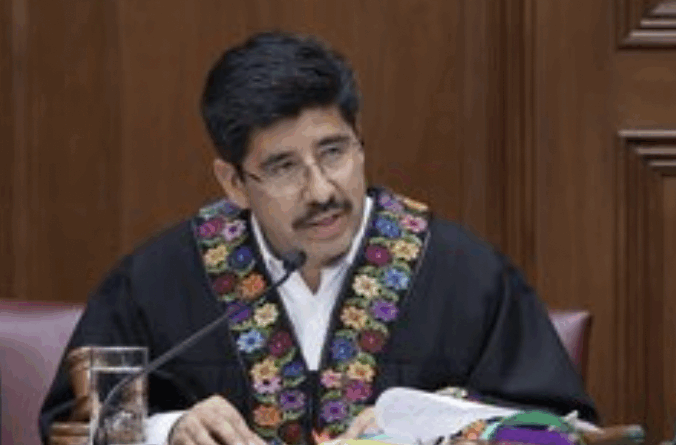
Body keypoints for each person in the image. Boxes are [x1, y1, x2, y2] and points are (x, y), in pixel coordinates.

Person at [39, 31, 597, 445]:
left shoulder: (466, 275)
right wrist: (170, 429)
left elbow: (561, 431)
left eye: (334, 152)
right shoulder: (157, 280)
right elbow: (72, 425)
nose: (322, 190)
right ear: (233, 182)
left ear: (360, 140)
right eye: (283, 167)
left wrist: (427, 425)